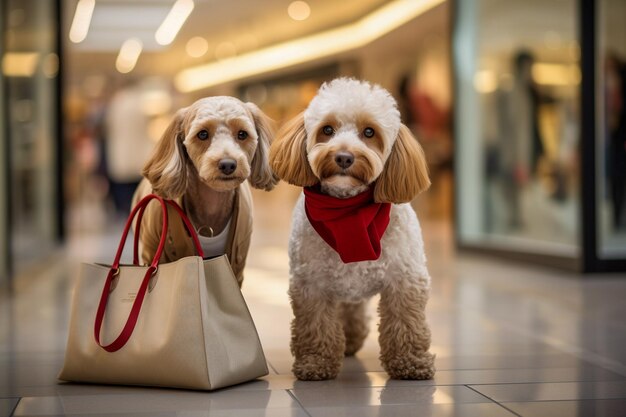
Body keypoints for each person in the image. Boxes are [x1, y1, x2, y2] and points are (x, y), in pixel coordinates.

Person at [104, 82, 154, 216]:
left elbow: (111, 129)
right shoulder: (140, 104)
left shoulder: (116, 105)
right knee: (140, 193)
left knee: (125, 196)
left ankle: (129, 217)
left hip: (122, 155)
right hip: (140, 154)